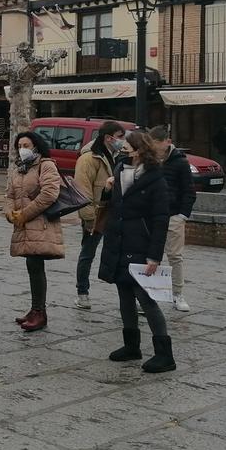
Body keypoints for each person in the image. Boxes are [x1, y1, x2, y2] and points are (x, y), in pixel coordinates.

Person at [99, 131, 176, 373]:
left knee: (145, 298)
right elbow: (110, 206)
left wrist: (154, 255)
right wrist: (108, 189)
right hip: (119, 241)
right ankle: (131, 345)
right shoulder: (120, 172)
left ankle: (165, 355)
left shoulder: (156, 179)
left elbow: (161, 219)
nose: (122, 148)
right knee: (123, 294)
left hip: (140, 244)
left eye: (127, 146)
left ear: (139, 150)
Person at [5, 131, 64, 333]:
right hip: (24, 225)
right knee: (32, 266)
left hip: (40, 223)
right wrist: (10, 212)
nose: (22, 149)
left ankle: (40, 312)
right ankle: (35, 309)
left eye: (26, 145)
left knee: (36, 265)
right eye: (19, 145)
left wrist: (25, 214)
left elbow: (49, 194)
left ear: (36, 146)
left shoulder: (46, 165)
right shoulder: (19, 169)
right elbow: (10, 194)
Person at [73, 121, 124, 310]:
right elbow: (82, 189)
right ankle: (82, 292)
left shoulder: (117, 155)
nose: (122, 141)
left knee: (119, 254)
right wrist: (88, 217)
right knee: (88, 253)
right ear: (108, 138)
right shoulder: (89, 159)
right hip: (97, 212)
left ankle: (128, 295)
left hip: (114, 211)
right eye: (120, 137)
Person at [149, 126, 196, 312]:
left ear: (166, 142)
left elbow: (189, 191)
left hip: (173, 215)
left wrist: (182, 215)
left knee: (175, 256)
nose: (154, 149)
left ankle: (177, 294)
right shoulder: (150, 160)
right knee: (152, 256)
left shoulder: (180, 162)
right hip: (152, 216)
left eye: (156, 145)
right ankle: (150, 294)